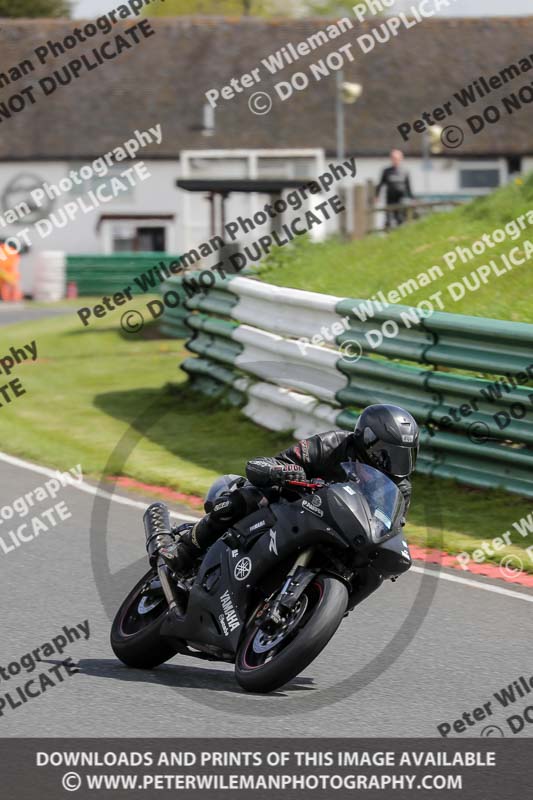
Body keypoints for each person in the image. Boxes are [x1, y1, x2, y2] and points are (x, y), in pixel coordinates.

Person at [145, 404, 420, 576]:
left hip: (341, 533)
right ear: (367, 441)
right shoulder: (334, 444)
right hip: (293, 505)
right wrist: (289, 473)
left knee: (370, 570)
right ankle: (185, 550)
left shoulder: (400, 486)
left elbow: (391, 525)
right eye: (388, 452)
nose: (393, 462)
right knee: (244, 498)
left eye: (403, 454)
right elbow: (277, 463)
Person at [375, 150, 414, 230]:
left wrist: (412, 198)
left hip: (401, 198)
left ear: (401, 159)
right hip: (390, 198)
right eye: (394, 158)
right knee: (388, 219)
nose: (395, 160)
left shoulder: (405, 171)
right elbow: (380, 184)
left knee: (400, 218)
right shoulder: (386, 171)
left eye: (397, 158)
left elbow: (408, 186)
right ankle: (388, 234)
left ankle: (400, 234)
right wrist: (377, 195)